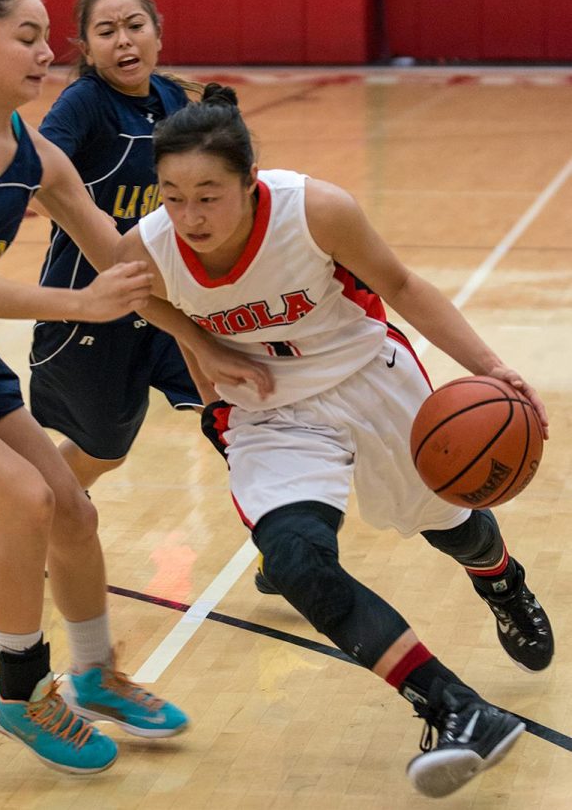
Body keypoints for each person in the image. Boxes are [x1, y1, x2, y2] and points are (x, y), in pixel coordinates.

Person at [115, 83, 554, 798]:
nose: (189, 215)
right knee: (293, 561)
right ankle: (455, 707)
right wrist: (200, 347)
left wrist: (490, 369)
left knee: (448, 525)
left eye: (208, 194)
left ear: (250, 185)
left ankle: (500, 580)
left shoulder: (313, 210)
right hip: (266, 408)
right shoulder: (150, 244)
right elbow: (139, 293)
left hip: (364, 375)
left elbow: (404, 286)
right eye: (171, 195)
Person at [0, 0, 188, 775]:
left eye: (46, 40)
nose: (49, 54)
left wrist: (210, 344)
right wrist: (80, 305)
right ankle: (18, 693)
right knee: (26, 499)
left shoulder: (33, 151)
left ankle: (93, 672)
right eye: (28, 38)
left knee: (71, 509)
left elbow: (119, 262)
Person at [29, 0, 213, 490]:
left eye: (135, 25)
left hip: (168, 296)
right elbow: (36, 176)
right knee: (105, 452)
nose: (124, 39)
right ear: (86, 48)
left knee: (236, 412)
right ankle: (40, 514)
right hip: (93, 304)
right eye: (106, 31)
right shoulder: (83, 103)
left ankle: (279, 532)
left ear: (157, 31)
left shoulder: (175, 100)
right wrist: (94, 226)